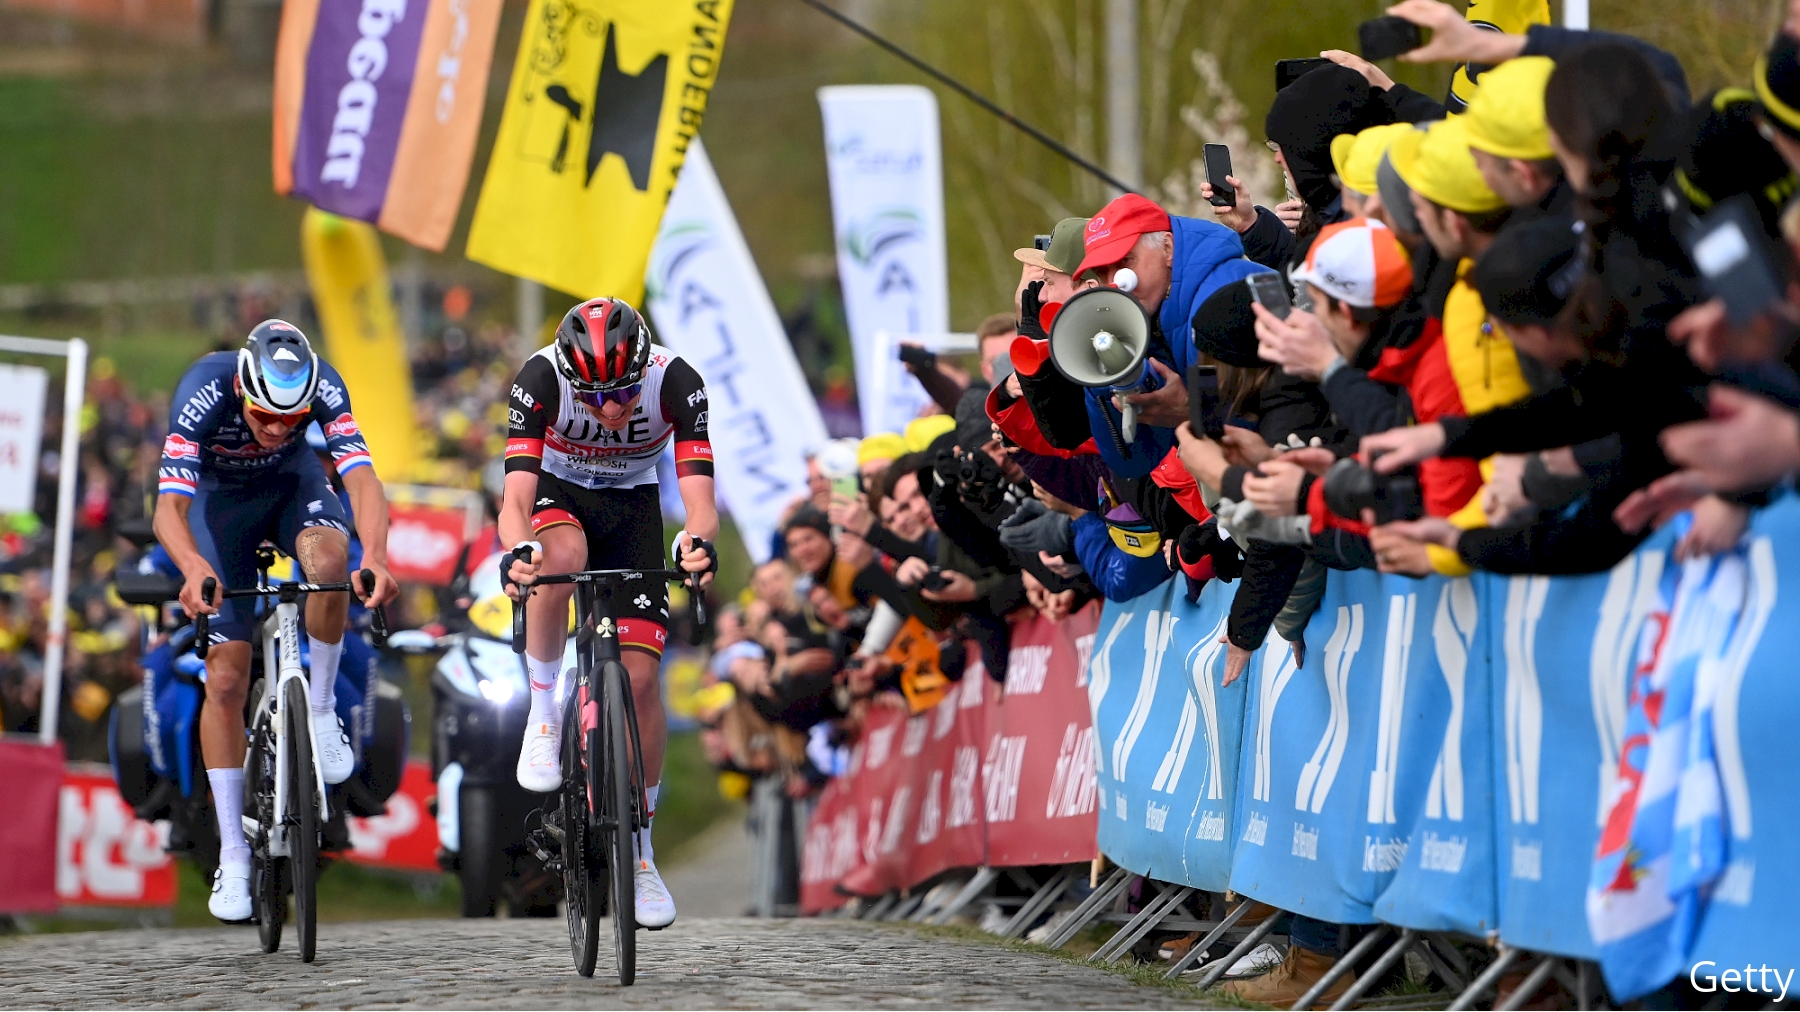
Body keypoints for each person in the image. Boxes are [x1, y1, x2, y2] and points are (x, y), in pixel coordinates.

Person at [153, 320, 399, 922]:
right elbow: (169, 508)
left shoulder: (325, 388)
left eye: (292, 421)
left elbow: (362, 479)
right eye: (264, 416)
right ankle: (233, 855)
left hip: (292, 489)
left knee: (334, 561)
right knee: (228, 676)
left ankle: (318, 713)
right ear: (243, 385)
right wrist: (190, 568)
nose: (275, 429)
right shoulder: (203, 388)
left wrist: (381, 559)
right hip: (221, 510)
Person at [498, 297, 718, 929]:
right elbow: (514, 497)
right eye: (593, 396)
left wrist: (694, 542)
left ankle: (643, 856)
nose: (612, 409)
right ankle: (542, 715)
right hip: (556, 493)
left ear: (643, 369)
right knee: (558, 554)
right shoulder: (538, 379)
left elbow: (700, 502)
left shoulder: (678, 382)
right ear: (569, 376)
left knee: (643, 681)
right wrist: (518, 548)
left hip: (633, 506)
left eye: (623, 392)